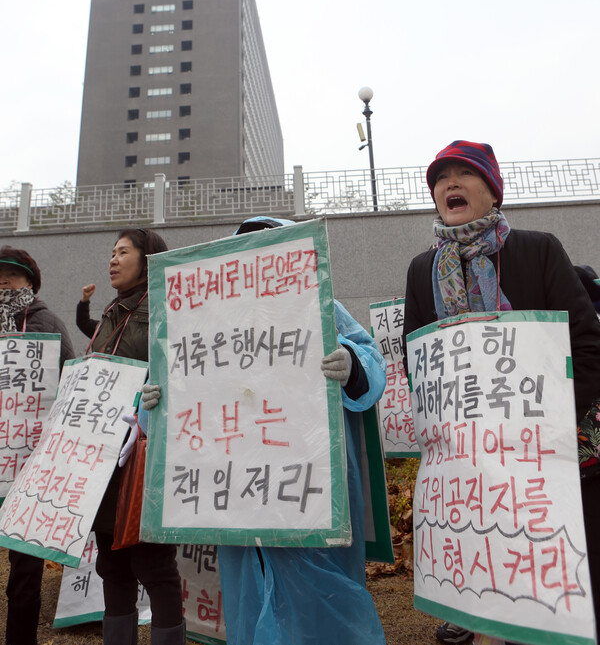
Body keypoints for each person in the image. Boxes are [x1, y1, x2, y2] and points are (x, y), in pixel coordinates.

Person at [142, 215, 388, 645]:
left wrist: (351, 363)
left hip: (306, 491)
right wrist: (152, 404)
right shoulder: (205, 321)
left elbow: (370, 360)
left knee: (321, 610)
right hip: (239, 494)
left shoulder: (321, 305)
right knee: (250, 605)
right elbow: (178, 399)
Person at [402, 141, 600, 644]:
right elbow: (417, 365)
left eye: (463, 173)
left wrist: (548, 425)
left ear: (493, 191)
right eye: (440, 177)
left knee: (572, 589)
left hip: (558, 457)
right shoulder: (422, 271)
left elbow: (588, 346)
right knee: (504, 585)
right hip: (477, 469)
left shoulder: (538, 250)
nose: (450, 183)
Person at [78, 227, 185, 645]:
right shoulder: (111, 311)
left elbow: (182, 371)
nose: (113, 259)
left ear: (148, 260)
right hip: (106, 459)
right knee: (112, 564)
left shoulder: (165, 307)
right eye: (112, 252)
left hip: (147, 459)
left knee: (155, 566)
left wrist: (156, 396)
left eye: (123, 252)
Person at [0, 246, 75, 645]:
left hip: (29, 463)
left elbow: (72, 383)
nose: (2, 281)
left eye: (11, 274)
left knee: (24, 567)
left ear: (31, 280)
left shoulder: (46, 323)